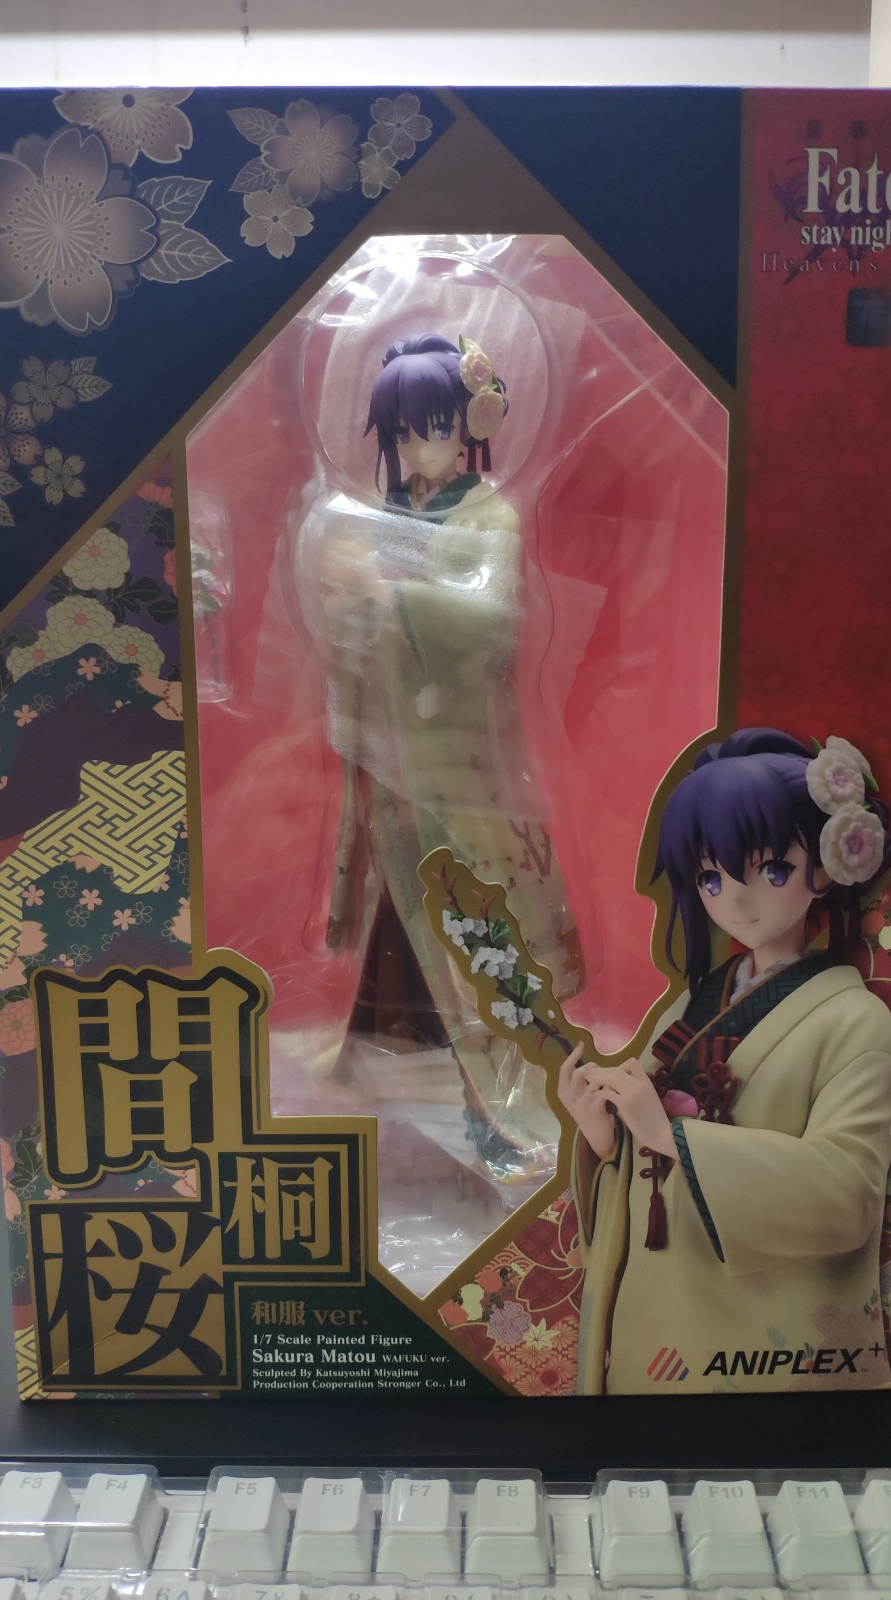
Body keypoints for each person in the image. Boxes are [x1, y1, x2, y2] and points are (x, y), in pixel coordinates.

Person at [294, 333, 581, 1181]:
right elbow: (349, 632)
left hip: (462, 765)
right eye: (404, 431)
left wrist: (389, 595)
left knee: (475, 932)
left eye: (438, 426)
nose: (422, 446)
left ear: (470, 426)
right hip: (390, 766)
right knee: (408, 925)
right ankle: (381, 1071)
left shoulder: (490, 516)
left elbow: (492, 620)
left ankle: (499, 1111)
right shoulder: (378, 519)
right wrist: (349, 605)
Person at [559, 727, 891, 1394]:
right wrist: (606, 1139)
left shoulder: (854, 1020)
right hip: (656, 1301)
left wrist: (675, 1139)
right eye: (711, 878)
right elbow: (644, 1150)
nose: (736, 902)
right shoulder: (689, 1005)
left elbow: (848, 1195)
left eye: (771, 871)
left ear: (827, 863)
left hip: (756, 1337)